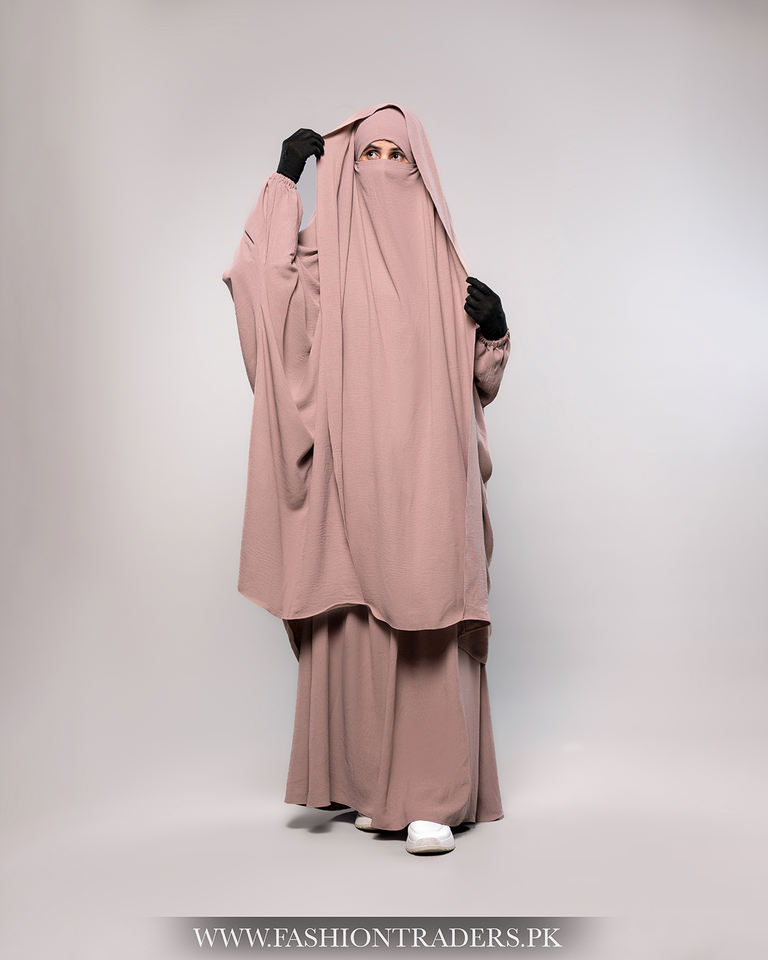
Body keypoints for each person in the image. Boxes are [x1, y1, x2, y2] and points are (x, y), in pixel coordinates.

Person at [222, 103, 511, 855]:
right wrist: (284, 181)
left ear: (422, 172)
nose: (383, 168)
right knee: (353, 616)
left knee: (425, 609)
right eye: (368, 155)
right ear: (347, 174)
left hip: (427, 479)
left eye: (397, 155)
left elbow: (477, 385)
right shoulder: (326, 265)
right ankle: (365, 784)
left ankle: (431, 796)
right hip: (347, 476)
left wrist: (494, 329)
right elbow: (262, 288)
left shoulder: (447, 273)